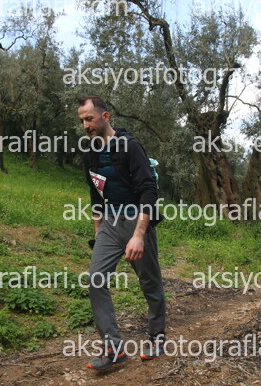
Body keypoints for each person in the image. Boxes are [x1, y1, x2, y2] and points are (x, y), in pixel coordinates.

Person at [77, 95, 166, 370]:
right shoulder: (89, 152)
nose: (85, 125)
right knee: (95, 280)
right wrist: (98, 233)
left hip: (137, 221)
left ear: (105, 117)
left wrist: (139, 235)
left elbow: (148, 190)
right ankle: (113, 348)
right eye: (82, 120)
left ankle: (157, 336)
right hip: (109, 224)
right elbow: (95, 194)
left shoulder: (130, 146)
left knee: (149, 282)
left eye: (89, 119)